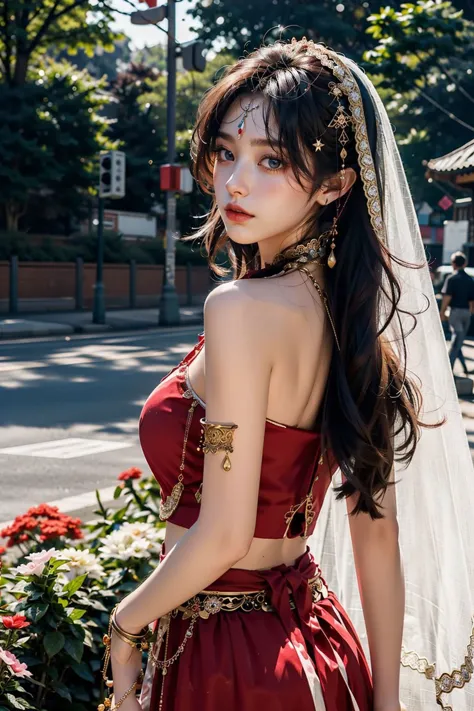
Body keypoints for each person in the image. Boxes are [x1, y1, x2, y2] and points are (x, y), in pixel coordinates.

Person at [99, 38, 474, 711]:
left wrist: (124, 624)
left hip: (229, 660)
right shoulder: (353, 324)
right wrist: (384, 701)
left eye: (271, 160)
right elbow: (376, 535)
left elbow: (224, 532)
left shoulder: (240, 310)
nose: (234, 182)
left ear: (334, 186)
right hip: (322, 647)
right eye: (225, 152)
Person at [440, 251, 474, 374]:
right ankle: (464, 368)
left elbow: (447, 297)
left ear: (453, 263)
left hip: (455, 313)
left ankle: (448, 370)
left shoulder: (451, 278)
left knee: (456, 342)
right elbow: (472, 301)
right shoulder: (470, 279)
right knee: (459, 340)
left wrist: (442, 312)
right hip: (466, 314)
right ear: (464, 263)